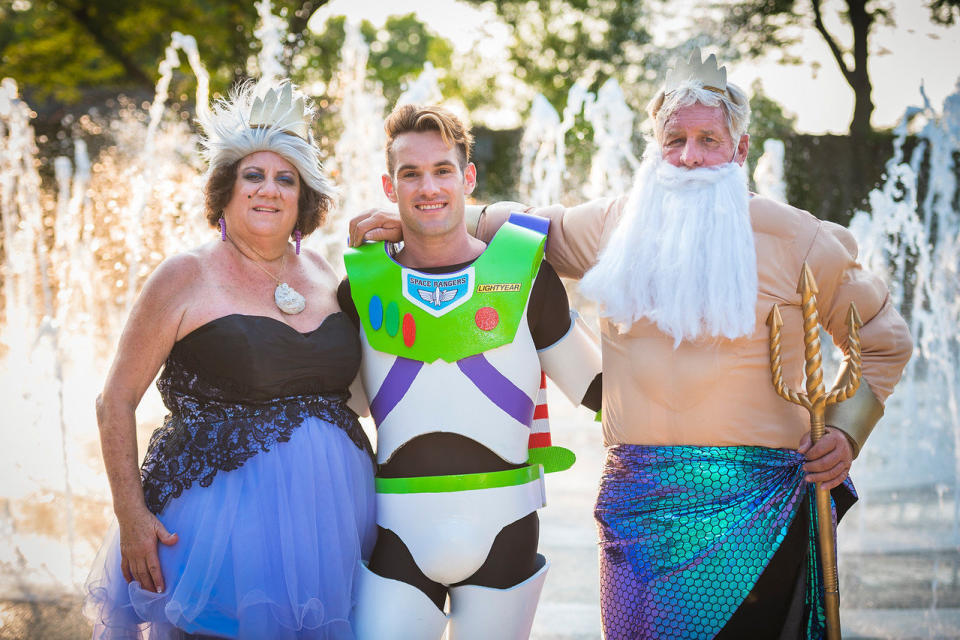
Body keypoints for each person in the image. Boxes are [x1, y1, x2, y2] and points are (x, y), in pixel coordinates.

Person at [348, 49, 913, 639]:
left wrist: (846, 432)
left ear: (740, 150)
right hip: (636, 505)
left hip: (756, 507)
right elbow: (513, 229)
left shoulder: (798, 238)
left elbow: (885, 340)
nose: (690, 157)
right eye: (675, 140)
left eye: (708, 140)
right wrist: (422, 221)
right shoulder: (610, 225)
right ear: (654, 145)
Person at [83, 79, 376, 639]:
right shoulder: (185, 276)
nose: (269, 190)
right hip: (220, 536)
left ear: (304, 199)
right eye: (254, 175)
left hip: (328, 526)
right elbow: (114, 400)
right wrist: (131, 515)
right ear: (225, 190)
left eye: (285, 179)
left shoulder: (326, 273)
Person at [338, 104, 602, 639]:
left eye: (442, 170)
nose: (427, 186)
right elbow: (324, 414)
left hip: (503, 530)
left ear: (468, 178)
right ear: (390, 187)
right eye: (410, 173)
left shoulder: (529, 277)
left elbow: (603, 390)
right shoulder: (357, 289)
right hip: (393, 531)